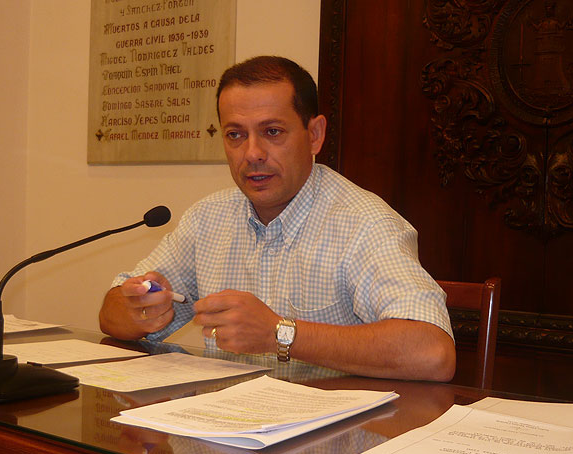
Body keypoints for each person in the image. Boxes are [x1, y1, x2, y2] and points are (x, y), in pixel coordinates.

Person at [99, 56, 456, 381]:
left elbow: (433, 354)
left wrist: (280, 333)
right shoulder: (207, 219)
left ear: (314, 135)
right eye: (235, 135)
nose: (252, 153)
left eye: (272, 132)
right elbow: (111, 316)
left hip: (326, 424)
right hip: (225, 420)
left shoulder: (364, 223)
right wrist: (137, 308)